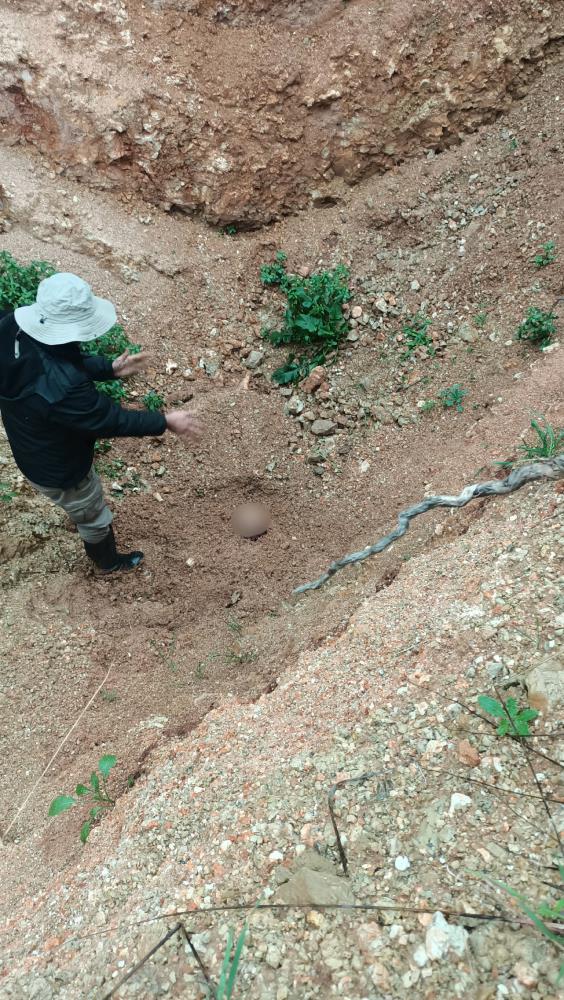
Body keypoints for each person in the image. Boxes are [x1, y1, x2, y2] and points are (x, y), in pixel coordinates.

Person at [0, 272, 201, 573]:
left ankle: (81, 519)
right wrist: (165, 421)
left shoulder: (10, 325)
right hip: (59, 468)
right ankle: (107, 562)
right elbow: (108, 419)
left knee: (75, 500)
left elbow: (53, 358)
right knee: (91, 511)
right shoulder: (67, 389)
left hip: (28, 441)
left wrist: (108, 368)